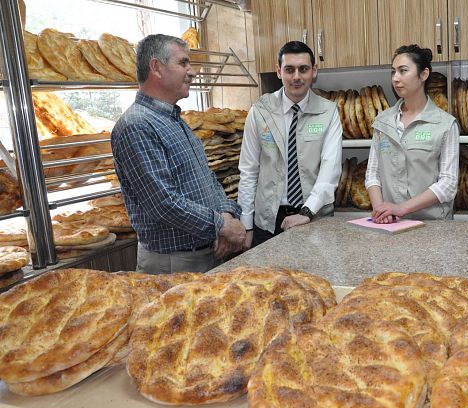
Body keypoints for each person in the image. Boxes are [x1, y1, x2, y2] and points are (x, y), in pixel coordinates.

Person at [111, 34, 246, 274]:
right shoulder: (136, 125)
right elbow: (163, 203)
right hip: (173, 263)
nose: (191, 71)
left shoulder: (175, 120)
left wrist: (225, 215)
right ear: (156, 68)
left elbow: (207, 179)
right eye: (183, 63)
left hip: (206, 252)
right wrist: (221, 225)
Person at [238, 41, 342, 247]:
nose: (296, 77)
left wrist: (307, 211)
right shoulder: (260, 111)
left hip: (314, 217)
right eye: (289, 69)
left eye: (303, 69)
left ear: (314, 71)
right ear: (279, 72)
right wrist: (246, 225)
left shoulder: (328, 112)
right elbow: (249, 170)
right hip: (267, 222)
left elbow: (330, 168)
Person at [365, 44, 459, 223]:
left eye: (403, 71)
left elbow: (448, 184)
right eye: (393, 72)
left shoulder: (445, 124)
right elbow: (372, 174)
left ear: (423, 74)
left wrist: (401, 208)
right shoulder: (383, 121)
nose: (396, 78)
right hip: (391, 223)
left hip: (432, 225)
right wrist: (380, 211)